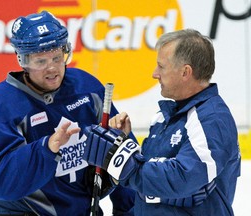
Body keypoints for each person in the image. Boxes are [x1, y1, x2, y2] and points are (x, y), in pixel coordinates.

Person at [0, 11, 135, 216]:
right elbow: (0, 182)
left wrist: (128, 211)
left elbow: (123, 156)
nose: (52, 68)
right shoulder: (0, 104)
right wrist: (47, 148)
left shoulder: (86, 87)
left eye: (57, 57)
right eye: (40, 61)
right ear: (22, 60)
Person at [83, 29, 241, 215]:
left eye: (161, 66)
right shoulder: (164, 115)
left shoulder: (212, 119)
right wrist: (124, 144)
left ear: (185, 72)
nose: (154, 74)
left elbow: (182, 178)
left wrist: (123, 163)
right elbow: (151, 187)